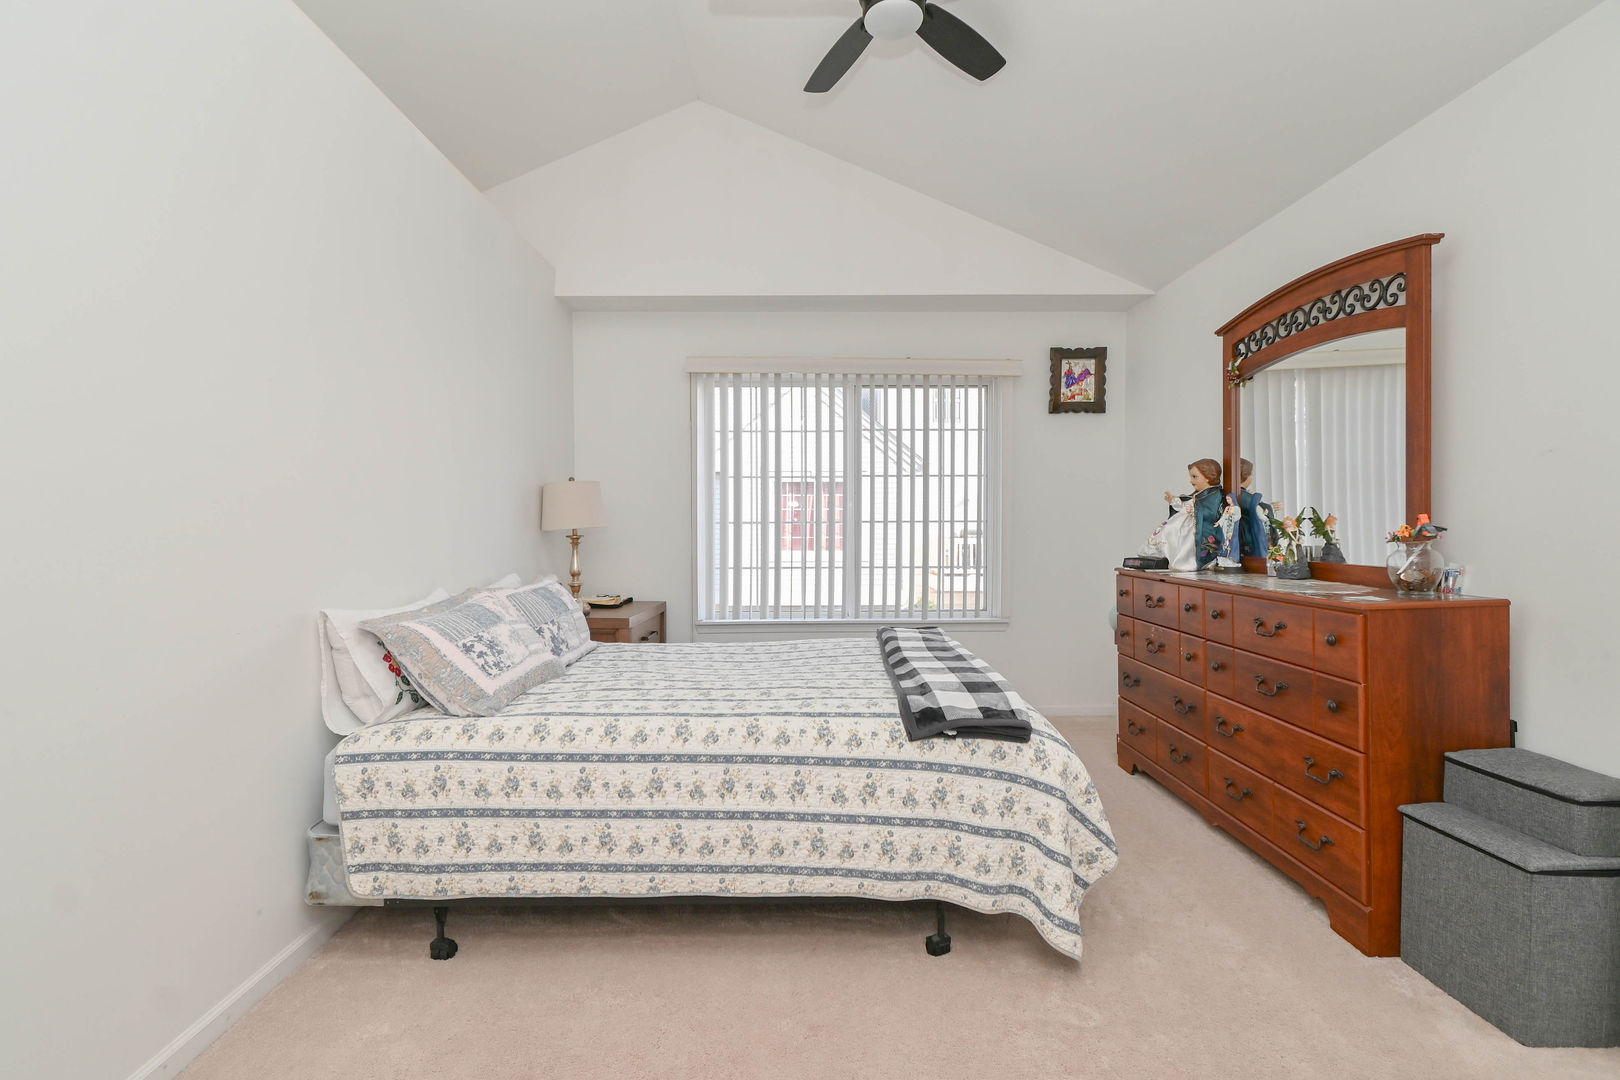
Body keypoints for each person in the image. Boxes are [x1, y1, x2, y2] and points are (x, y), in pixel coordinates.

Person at [1142, 459, 1225, 570]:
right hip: (1188, 522)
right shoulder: (1198, 494)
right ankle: (1161, 555)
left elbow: (1212, 513)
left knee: (1183, 537)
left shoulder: (1214, 495)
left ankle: (1185, 561)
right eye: (1191, 477)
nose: (1191, 481)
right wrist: (1173, 501)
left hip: (1200, 527)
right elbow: (1184, 506)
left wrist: (1196, 511)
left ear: (1208, 477)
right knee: (1168, 529)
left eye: (1195, 477)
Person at [1236, 458, 1272, 559]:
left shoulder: (1244, 495)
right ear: (1245, 475)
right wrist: (1270, 507)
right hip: (1247, 537)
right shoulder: (1244, 496)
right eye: (1251, 473)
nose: (1252, 476)